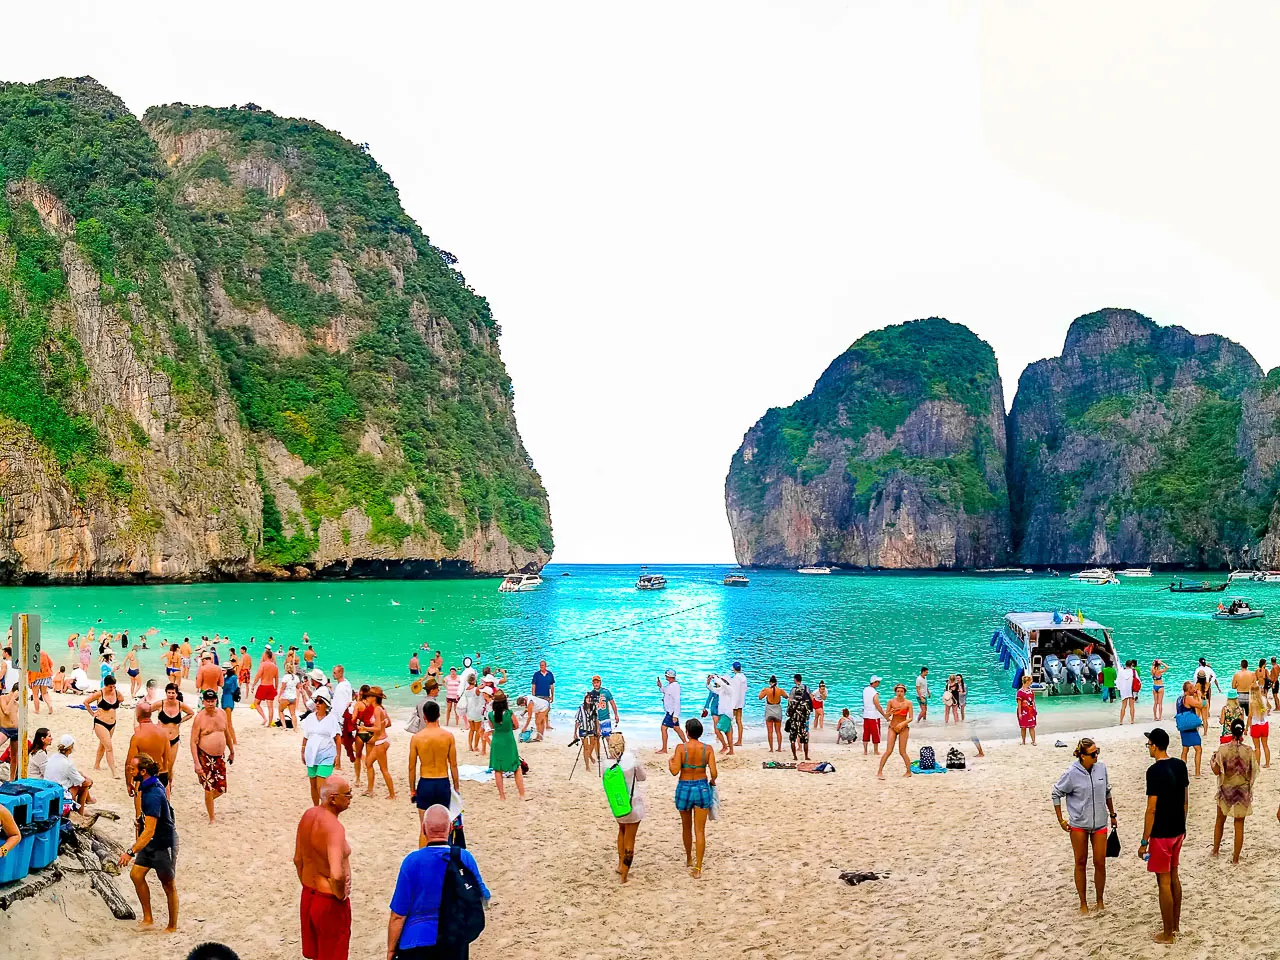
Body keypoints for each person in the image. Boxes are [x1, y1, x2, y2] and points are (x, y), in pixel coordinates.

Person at [387, 804, 491, 959]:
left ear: (423, 829)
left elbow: (398, 915)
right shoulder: (464, 857)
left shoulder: (412, 861)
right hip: (453, 939)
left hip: (416, 941)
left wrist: (391, 949)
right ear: (450, 828)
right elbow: (484, 897)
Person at [1051, 738, 1116, 914]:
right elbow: (1056, 793)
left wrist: (1112, 814)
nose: (1096, 756)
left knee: (1100, 862)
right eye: (1093, 753)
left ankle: (1100, 901)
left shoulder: (1101, 768)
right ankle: (1083, 903)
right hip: (1079, 824)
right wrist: (1061, 820)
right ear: (1082, 756)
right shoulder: (1071, 773)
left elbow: (1107, 792)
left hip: (1100, 822)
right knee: (1080, 862)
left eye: (1097, 751)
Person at [294, 774, 353, 960]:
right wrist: (340, 893)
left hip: (308, 895)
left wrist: (308, 882)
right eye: (348, 794)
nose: (351, 798)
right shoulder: (334, 827)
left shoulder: (308, 815)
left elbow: (297, 860)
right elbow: (336, 875)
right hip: (329, 902)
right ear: (333, 798)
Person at [118, 753, 179, 931]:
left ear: (143, 771)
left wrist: (130, 852)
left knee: (168, 884)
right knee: (136, 875)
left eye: (132, 768)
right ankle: (148, 919)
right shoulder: (148, 784)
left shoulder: (152, 793)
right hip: (150, 841)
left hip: (163, 842)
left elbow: (151, 829)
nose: (129, 770)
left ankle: (172, 926)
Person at [1140, 728, 1188, 945]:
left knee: (1164, 881)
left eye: (1148, 744)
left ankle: (1168, 933)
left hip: (1161, 833)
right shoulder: (1180, 765)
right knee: (1174, 876)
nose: (1148, 747)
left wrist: (1144, 841)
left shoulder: (1153, 771)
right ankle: (1175, 925)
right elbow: (1186, 800)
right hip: (1178, 829)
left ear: (1155, 746)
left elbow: (1151, 809)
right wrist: (1183, 824)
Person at [668, 717, 717, 879]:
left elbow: (675, 771)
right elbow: (714, 773)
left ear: (687, 732)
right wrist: (712, 781)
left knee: (686, 827)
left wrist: (670, 762)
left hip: (685, 786)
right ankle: (698, 868)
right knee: (700, 830)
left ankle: (689, 858)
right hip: (702, 787)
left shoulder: (681, 748)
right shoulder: (708, 748)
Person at [408, 700, 460, 833]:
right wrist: (456, 786)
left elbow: (411, 767)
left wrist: (413, 790)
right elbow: (453, 764)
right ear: (438, 715)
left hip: (425, 783)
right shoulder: (448, 736)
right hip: (442, 782)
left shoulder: (417, 738)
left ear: (424, 716)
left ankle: (424, 853)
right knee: (445, 827)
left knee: (424, 829)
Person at [1211, 717, 1257, 864]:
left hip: (1226, 789)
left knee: (1220, 820)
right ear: (1243, 731)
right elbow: (1252, 773)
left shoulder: (1222, 749)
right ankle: (1235, 859)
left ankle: (1215, 850)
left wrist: (1212, 763)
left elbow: (1218, 771)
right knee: (1239, 824)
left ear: (1230, 730)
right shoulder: (1249, 751)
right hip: (1242, 790)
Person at [605, 732, 645, 882]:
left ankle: (620, 865)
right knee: (630, 840)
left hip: (618, 806)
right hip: (633, 805)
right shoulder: (631, 760)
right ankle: (624, 877)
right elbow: (642, 777)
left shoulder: (606, 764)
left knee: (621, 831)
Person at [190, 689, 234, 822]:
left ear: (216, 700)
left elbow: (226, 733)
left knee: (221, 788)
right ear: (203, 701)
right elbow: (193, 742)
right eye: (207, 701)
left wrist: (232, 751)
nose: (210, 703)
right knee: (209, 788)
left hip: (220, 756)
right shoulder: (199, 718)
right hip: (205, 755)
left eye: (212, 701)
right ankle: (212, 818)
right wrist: (196, 763)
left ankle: (208, 801)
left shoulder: (221, 714)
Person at [126, 702, 174, 809]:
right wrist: (169, 779)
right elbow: (168, 760)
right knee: (164, 813)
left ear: (138, 715)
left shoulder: (137, 737)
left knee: (141, 818)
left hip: (144, 778)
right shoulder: (163, 733)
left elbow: (130, 763)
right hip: (162, 775)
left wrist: (129, 783)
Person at [301, 690, 340, 806]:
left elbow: (338, 738)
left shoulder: (332, 719)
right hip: (311, 755)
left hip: (327, 755)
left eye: (320, 702)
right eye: (316, 701)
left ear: (326, 705)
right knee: (313, 784)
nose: (317, 704)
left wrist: (338, 756)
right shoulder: (310, 718)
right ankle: (316, 807)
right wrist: (302, 751)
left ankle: (324, 808)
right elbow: (306, 736)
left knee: (321, 785)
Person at [488, 692, 526, 800]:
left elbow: (492, 727)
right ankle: (521, 794)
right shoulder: (509, 713)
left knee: (498, 769)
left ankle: (502, 795)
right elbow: (516, 725)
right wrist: (509, 728)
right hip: (508, 740)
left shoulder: (491, 714)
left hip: (497, 741)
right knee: (516, 767)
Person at [84, 673, 124, 778]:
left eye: (114, 686)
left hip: (112, 724)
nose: (112, 688)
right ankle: (114, 772)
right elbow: (86, 702)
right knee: (109, 747)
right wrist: (93, 713)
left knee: (103, 745)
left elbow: (121, 699)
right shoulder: (99, 694)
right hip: (100, 723)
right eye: (110, 686)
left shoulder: (116, 693)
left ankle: (96, 765)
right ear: (105, 685)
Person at [360, 687, 395, 799]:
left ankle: (392, 795)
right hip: (383, 740)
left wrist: (365, 728)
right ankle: (370, 790)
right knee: (368, 763)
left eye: (369, 696)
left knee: (384, 769)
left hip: (381, 741)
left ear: (373, 698)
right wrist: (381, 725)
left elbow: (378, 728)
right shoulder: (381, 708)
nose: (367, 698)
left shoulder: (376, 710)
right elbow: (388, 723)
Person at [877, 683, 914, 778]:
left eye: (901, 691)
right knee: (888, 750)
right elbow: (886, 716)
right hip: (893, 727)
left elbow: (911, 718)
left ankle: (908, 771)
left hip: (903, 728)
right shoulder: (891, 702)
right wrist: (890, 712)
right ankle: (880, 772)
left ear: (904, 692)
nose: (899, 693)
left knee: (902, 751)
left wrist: (903, 723)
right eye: (898, 691)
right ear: (895, 692)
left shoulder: (908, 703)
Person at [46, 734, 93, 807]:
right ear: (70, 747)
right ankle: (80, 813)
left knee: (79, 776)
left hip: (49, 790)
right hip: (61, 794)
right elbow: (82, 782)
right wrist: (90, 781)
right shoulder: (68, 764)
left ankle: (88, 800)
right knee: (84, 786)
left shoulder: (52, 757)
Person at [1175, 681, 1204, 778]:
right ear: (1189, 689)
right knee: (1198, 749)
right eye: (1193, 688)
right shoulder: (1188, 698)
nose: (1195, 689)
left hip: (1183, 726)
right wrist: (1199, 696)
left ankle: (1182, 771)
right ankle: (1197, 773)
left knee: (1185, 749)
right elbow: (1200, 705)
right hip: (1190, 726)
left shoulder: (1179, 699)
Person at [330, 665, 354, 770]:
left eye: (335, 673)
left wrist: (339, 719)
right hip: (342, 717)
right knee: (343, 742)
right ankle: (335, 762)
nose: (333, 674)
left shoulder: (342, 687)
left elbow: (340, 705)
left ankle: (338, 763)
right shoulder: (346, 684)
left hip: (340, 718)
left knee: (340, 741)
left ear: (340, 673)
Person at [785, 674, 812, 761]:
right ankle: (806, 756)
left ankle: (795, 757)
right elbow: (810, 702)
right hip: (803, 721)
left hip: (794, 721)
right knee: (805, 739)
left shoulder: (793, 690)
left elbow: (788, 708)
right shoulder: (806, 688)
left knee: (792, 739)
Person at [656, 669, 684, 753]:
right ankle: (687, 744)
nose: (665, 677)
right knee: (677, 728)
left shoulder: (675, 686)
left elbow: (677, 701)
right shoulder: (670, 685)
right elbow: (665, 692)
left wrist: (675, 715)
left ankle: (664, 749)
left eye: (666, 675)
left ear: (669, 676)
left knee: (663, 728)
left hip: (672, 712)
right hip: (670, 711)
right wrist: (660, 686)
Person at [758, 675, 788, 753]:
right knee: (778, 731)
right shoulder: (780, 690)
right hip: (777, 710)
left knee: (770, 731)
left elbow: (760, 697)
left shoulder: (766, 690)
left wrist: (762, 691)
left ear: (770, 683)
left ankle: (771, 749)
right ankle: (779, 748)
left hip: (769, 711)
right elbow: (786, 696)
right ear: (776, 683)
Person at [252, 649, 281, 728]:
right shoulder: (275, 666)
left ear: (266, 655)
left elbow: (258, 675)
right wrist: (276, 688)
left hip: (263, 686)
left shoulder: (263, 664)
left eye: (264, 655)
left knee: (256, 703)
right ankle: (269, 723)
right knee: (270, 707)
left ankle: (264, 718)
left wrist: (253, 685)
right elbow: (277, 678)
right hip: (271, 686)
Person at [574, 692, 601, 772]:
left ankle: (589, 755)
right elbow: (577, 721)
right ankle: (587, 766)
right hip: (583, 729)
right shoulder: (581, 708)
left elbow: (596, 719)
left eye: (590, 698)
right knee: (585, 747)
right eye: (587, 698)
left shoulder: (594, 708)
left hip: (592, 728)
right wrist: (575, 733)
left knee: (593, 744)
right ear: (585, 699)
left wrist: (598, 729)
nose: (589, 699)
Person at [462, 674, 486, 754]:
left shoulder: (466, 690)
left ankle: (470, 746)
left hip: (469, 712)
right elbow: (482, 688)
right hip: (477, 712)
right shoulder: (476, 690)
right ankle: (475, 746)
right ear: (474, 680)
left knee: (471, 730)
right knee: (478, 730)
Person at [862, 676, 885, 756]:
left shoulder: (865, 690)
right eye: (878, 682)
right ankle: (876, 751)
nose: (879, 683)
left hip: (866, 714)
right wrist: (885, 715)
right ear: (875, 682)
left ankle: (865, 751)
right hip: (873, 715)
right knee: (876, 733)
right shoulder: (874, 693)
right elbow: (877, 705)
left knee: (866, 732)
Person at [28, 647, 54, 713]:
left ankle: (37, 710)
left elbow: (29, 669)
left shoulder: (30, 655)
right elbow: (51, 663)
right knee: (45, 693)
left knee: (35, 694)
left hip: (35, 677)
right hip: (46, 675)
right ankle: (50, 705)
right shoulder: (44, 653)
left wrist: (29, 679)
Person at [1250, 688, 1271, 768]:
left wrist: (1247, 727)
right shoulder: (1264, 699)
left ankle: (1258, 764)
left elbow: (1250, 715)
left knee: (1257, 747)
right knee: (1265, 745)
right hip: (1264, 723)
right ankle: (1267, 764)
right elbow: (1269, 707)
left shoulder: (1252, 702)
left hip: (1256, 725)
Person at [728, 661, 748, 746]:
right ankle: (739, 740)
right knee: (739, 721)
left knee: (730, 722)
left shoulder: (736, 678)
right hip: (741, 702)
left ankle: (730, 741)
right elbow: (745, 689)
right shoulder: (743, 677)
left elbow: (733, 690)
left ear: (734, 668)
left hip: (735, 703)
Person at [221, 663, 240, 747]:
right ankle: (229, 739)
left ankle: (234, 740)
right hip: (225, 697)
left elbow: (225, 685)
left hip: (229, 698)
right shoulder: (228, 677)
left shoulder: (232, 678)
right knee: (225, 721)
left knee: (228, 722)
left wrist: (222, 676)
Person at [1017, 674, 1038, 745]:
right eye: (1030, 681)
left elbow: (1033, 701)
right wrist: (1020, 713)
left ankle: (1033, 741)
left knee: (1032, 726)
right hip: (1023, 711)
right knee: (1023, 727)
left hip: (1031, 711)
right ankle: (1023, 741)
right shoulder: (1020, 692)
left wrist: (1035, 709)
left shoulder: (1031, 691)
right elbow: (1019, 704)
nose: (1031, 682)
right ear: (1027, 681)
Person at [1116, 660, 1136, 724]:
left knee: (1123, 706)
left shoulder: (1121, 672)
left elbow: (1117, 681)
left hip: (1124, 690)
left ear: (1126, 664)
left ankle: (1121, 721)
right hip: (1131, 690)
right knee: (1132, 706)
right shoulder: (1133, 672)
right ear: (1131, 665)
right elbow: (1138, 680)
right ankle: (1132, 720)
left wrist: (1120, 688)